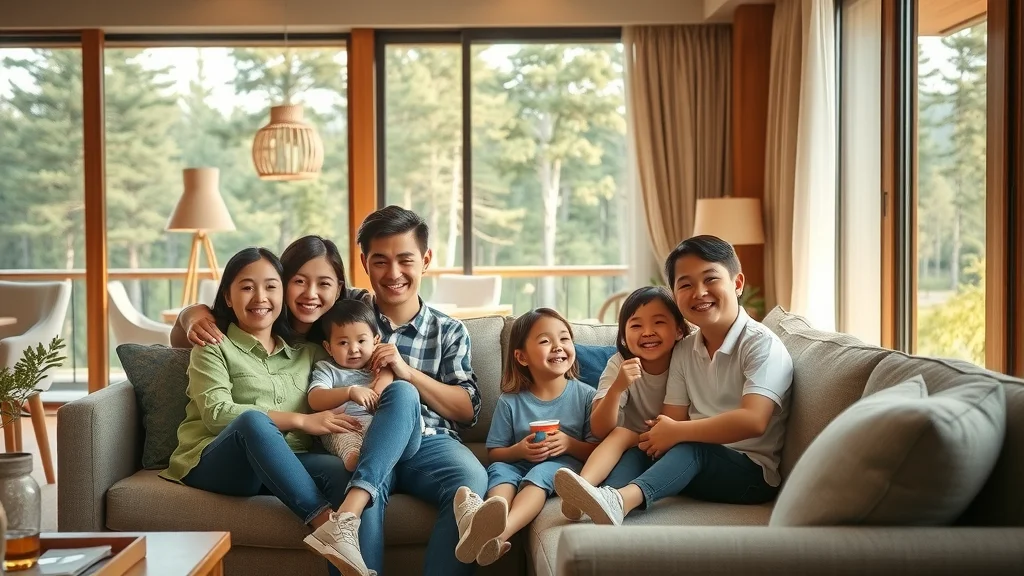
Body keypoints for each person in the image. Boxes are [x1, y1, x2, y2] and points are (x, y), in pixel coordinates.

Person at [555, 235, 794, 525]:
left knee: (692, 445)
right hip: (694, 464)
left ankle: (621, 500)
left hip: (750, 475)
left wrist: (678, 432)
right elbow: (672, 418)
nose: (699, 292)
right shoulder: (684, 349)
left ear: (737, 283)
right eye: (686, 285)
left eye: (710, 279)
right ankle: (599, 497)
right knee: (643, 445)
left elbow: (754, 420)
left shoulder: (761, 345)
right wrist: (658, 436)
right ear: (676, 294)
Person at [303, 206, 486, 576]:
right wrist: (193, 314)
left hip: (429, 441)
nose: (393, 273)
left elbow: (467, 410)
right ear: (364, 263)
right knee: (357, 483)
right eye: (380, 261)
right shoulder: (342, 313)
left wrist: (407, 372)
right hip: (362, 439)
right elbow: (276, 298)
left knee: (471, 481)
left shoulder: (448, 331)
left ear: (426, 260)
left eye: (405, 260)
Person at [159, 247, 358, 575]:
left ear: (282, 293)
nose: (260, 297)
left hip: (287, 460)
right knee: (252, 420)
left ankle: (352, 563)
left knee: (343, 474)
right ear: (227, 296)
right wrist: (302, 420)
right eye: (247, 287)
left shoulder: (309, 353)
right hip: (218, 462)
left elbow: (352, 369)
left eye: (270, 286)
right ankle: (326, 526)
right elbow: (217, 413)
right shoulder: (213, 346)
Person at [453, 308, 598, 566]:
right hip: (517, 464)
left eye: (564, 338)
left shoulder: (587, 396)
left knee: (540, 474)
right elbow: (495, 453)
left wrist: (569, 443)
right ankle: (487, 518)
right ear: (521, 357)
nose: (558, 346)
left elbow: (595, 451)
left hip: (560, 466)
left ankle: (498, 536)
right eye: (545, 341)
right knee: (499, 471)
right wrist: (519, 450)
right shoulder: (510, 401)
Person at [556, 286, 688, 521]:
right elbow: (599, 429)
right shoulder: (619, 363)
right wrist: (617, 387)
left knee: (624, 434)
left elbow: (675, 420)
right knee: (620, 441)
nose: (647, 332)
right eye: (636, 326)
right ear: (624, 337)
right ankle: (580, 491)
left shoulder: (686, 359)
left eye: (659, 322)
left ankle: (588, 490)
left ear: (679, 330)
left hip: (674, 444)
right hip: (635, 448)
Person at [171, 234, 364, 348]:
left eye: (324, 284)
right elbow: (178, 340)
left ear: (338, 289)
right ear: (280, 283)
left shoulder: (348, 326)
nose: (311, 294)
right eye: (299, 281)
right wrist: (191, 317)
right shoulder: (255, 323)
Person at [308, 299, 409, 472]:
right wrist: (349, 392)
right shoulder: (328, 369)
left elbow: (383, 391)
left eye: (361, 341)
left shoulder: (381, 365)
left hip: (378, 426)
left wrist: (378, 389)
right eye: (343, 343)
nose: (354, 349)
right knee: (338, 433)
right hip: (344, 425)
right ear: (328, 347)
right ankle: (355, 458)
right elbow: (315, 399)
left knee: (401, 412)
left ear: (376, 341)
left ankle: (382, 456)